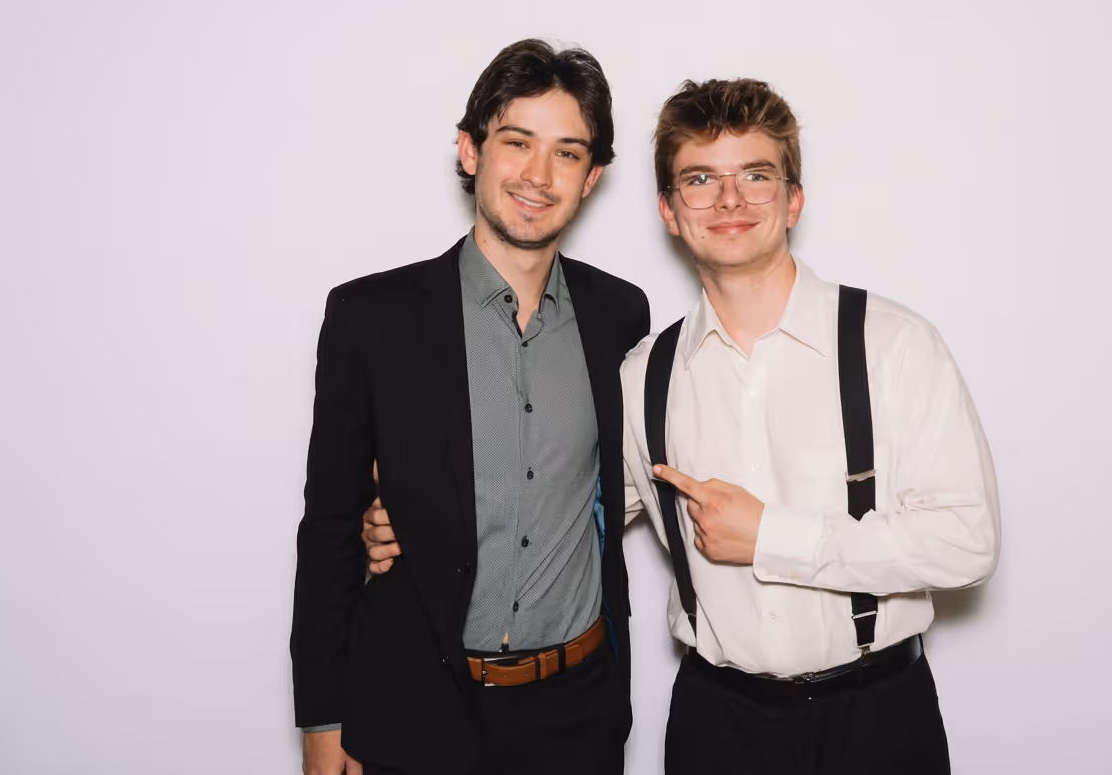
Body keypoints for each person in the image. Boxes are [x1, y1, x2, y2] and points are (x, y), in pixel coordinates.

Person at [365, 78, 999, 774]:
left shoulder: (893, 345)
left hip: (877, 717)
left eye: (755, 175)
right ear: (668, 210)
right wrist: (421, 518)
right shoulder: (642, 376)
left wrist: (773, 536)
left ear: (793, 199)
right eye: (700, 179)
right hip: (716, 727)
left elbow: (967, 543)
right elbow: (565, 508)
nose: (729, 200)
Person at [292, 39, 649, 775]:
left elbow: (606, 489)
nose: (538, 175)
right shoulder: (371, 319)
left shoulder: (620, 316)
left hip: (577, 715)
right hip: (417, 709)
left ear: (592, 177)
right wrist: (323, 719)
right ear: (470, 149)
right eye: (517, 142)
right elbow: (328, 530)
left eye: (567, 153)